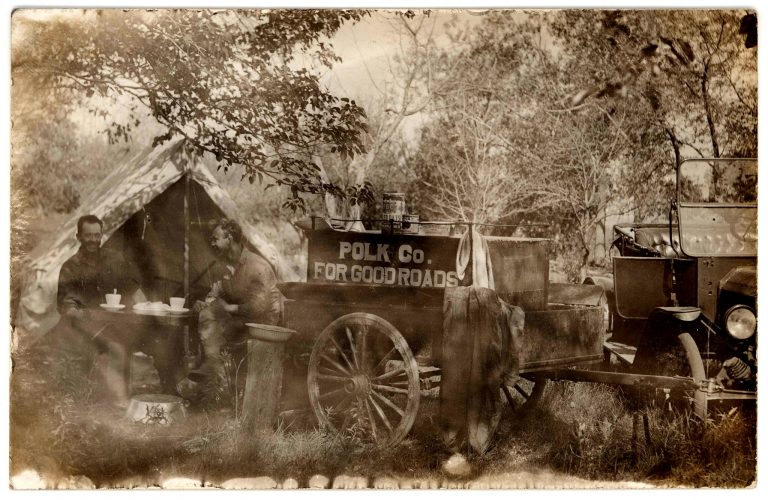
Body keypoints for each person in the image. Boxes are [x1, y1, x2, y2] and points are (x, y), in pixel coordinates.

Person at [53, 214, 183, 402]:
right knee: (116, 346)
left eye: (97, 235)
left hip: (121, 324)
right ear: (78, 237)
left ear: (101, 236)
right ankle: (116, 401)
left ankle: (170, 392)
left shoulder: (113, 260)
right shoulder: (70, 267)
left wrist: (150, 307)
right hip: (89, 328)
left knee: (161, 336)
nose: (93, 240)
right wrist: (84, 314)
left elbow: (133, 286)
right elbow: (66, 304)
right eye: (88, 236)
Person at [186, 218, 283, 389]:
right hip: (241, 320)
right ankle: (214, 373)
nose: (212, 243)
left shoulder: (256, 266)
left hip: (265, 324)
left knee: (214, 319)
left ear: (229, 238)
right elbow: (216, 293)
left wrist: (231, 308)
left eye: (215, 239)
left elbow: (259, 307)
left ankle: (215, 374)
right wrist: (204, 302)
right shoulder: (223, 266)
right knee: (207, 313)